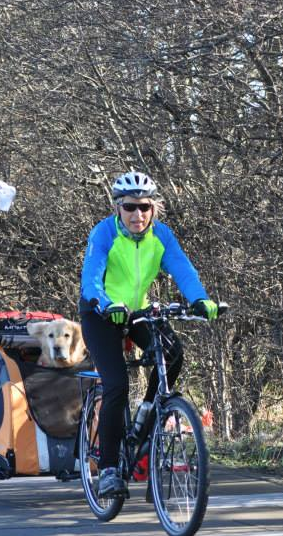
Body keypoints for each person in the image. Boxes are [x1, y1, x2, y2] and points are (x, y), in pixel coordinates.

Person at [78, 170, 218, 497]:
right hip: (101, 312)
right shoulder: (103, 234)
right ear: (118, 208)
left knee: (173, 355)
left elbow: (182, 267)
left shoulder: (162, 236)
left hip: (136, 311)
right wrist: (104, 301)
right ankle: (110, 469)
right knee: (116, 385)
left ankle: (147, 420)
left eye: (144, 207)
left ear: (153, 208)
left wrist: (200, 299)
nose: (137, 215)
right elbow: (92, 278)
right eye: (130, 207)